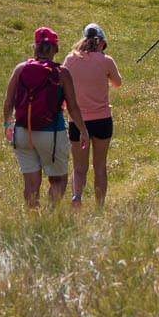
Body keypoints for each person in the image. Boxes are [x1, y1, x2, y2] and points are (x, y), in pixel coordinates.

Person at [2, 27, 89, 208]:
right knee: (58, 181)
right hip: (52, 133)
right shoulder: (61, 73)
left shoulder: (20, 69)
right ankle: (51, 219)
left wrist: (7, 124)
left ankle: (34, 223)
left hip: (23, 133)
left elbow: (8, 102)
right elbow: (72, 106)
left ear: (34, 47)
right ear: (55, 49)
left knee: (31, 186)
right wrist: (83, 130)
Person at [62, 23, 122, 208]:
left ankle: (76, 197)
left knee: (79, 167)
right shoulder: (106, 60)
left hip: (77, 121)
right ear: (101, 43)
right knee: (100, 166)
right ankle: (99, 206)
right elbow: (117, 83)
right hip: (102, 119)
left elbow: (62, 84)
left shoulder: (71, 60)